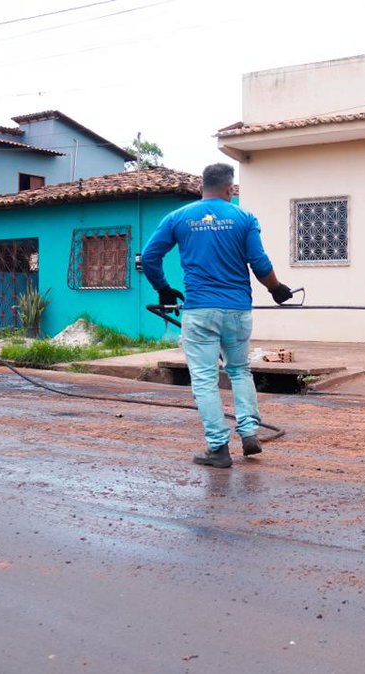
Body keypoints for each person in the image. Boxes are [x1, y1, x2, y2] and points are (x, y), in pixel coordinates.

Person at [141, 163, 292, 469]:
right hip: (237, 310)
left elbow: (150, 256)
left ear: (202, 188)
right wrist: (277, 289)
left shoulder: (179, 217)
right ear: (229, 189)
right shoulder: (244, 217)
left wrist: (164, 289)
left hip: (200, 310)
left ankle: (218, 449)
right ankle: (249, 431)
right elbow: (259, 262)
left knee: (205, 380)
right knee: (239, 370)